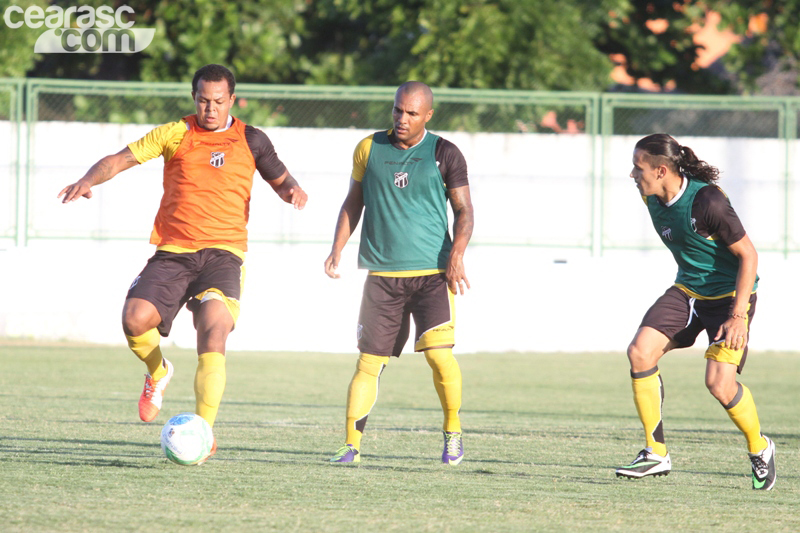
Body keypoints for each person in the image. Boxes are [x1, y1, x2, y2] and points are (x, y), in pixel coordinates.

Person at [58, 64, 307, 461]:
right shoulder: (175, 133)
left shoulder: (252, 139)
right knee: (134, 319)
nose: (211, 108)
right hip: (174, 250)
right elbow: (120, 160)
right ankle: (157, 371)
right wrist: (89, 179)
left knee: (213, 330)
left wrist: (294, 192)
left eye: (219, 101)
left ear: (232, 100)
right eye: (204, 100)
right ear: (194, 98)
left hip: (224, 254)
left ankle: (204, 433)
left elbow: (282, 181)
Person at [324, 81, 474, 465]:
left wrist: (457, 254)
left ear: (428, 115)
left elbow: (464, 211)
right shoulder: (369, 148)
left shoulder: (445, 153)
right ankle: (350, 445)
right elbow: (352, 202)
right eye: (397, 110)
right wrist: (337, 248)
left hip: (432, 275)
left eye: (411, 113)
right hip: (382, 277)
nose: (402, 119)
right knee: (368, 363)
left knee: (440, 358)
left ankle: (453, 432)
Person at [615, 133, 775, 490]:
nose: (632, 175)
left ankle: (760, 447)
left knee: (719, 385)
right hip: (687, 291)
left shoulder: (708, 201)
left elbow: (749, 256)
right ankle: (655, 453)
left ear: (660, 170)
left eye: (637, 168)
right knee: (639, 352)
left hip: (731, 298)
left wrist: (738, 317)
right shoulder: (648, 193)